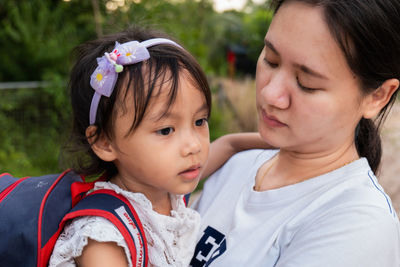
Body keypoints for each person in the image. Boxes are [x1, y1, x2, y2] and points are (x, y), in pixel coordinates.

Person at [191, 0, 400, 266]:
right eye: (270, 60)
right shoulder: (235, 167)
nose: (270, 94)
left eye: (306, 83)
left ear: (377, 96)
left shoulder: (358, 225)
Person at [48, 27, 270, 267]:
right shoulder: (103, 237)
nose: (194, 145)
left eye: (199, 121)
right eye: (166, 130)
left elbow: (229, 144)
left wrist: (288, 142)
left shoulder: (163, 187)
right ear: (104, 142)